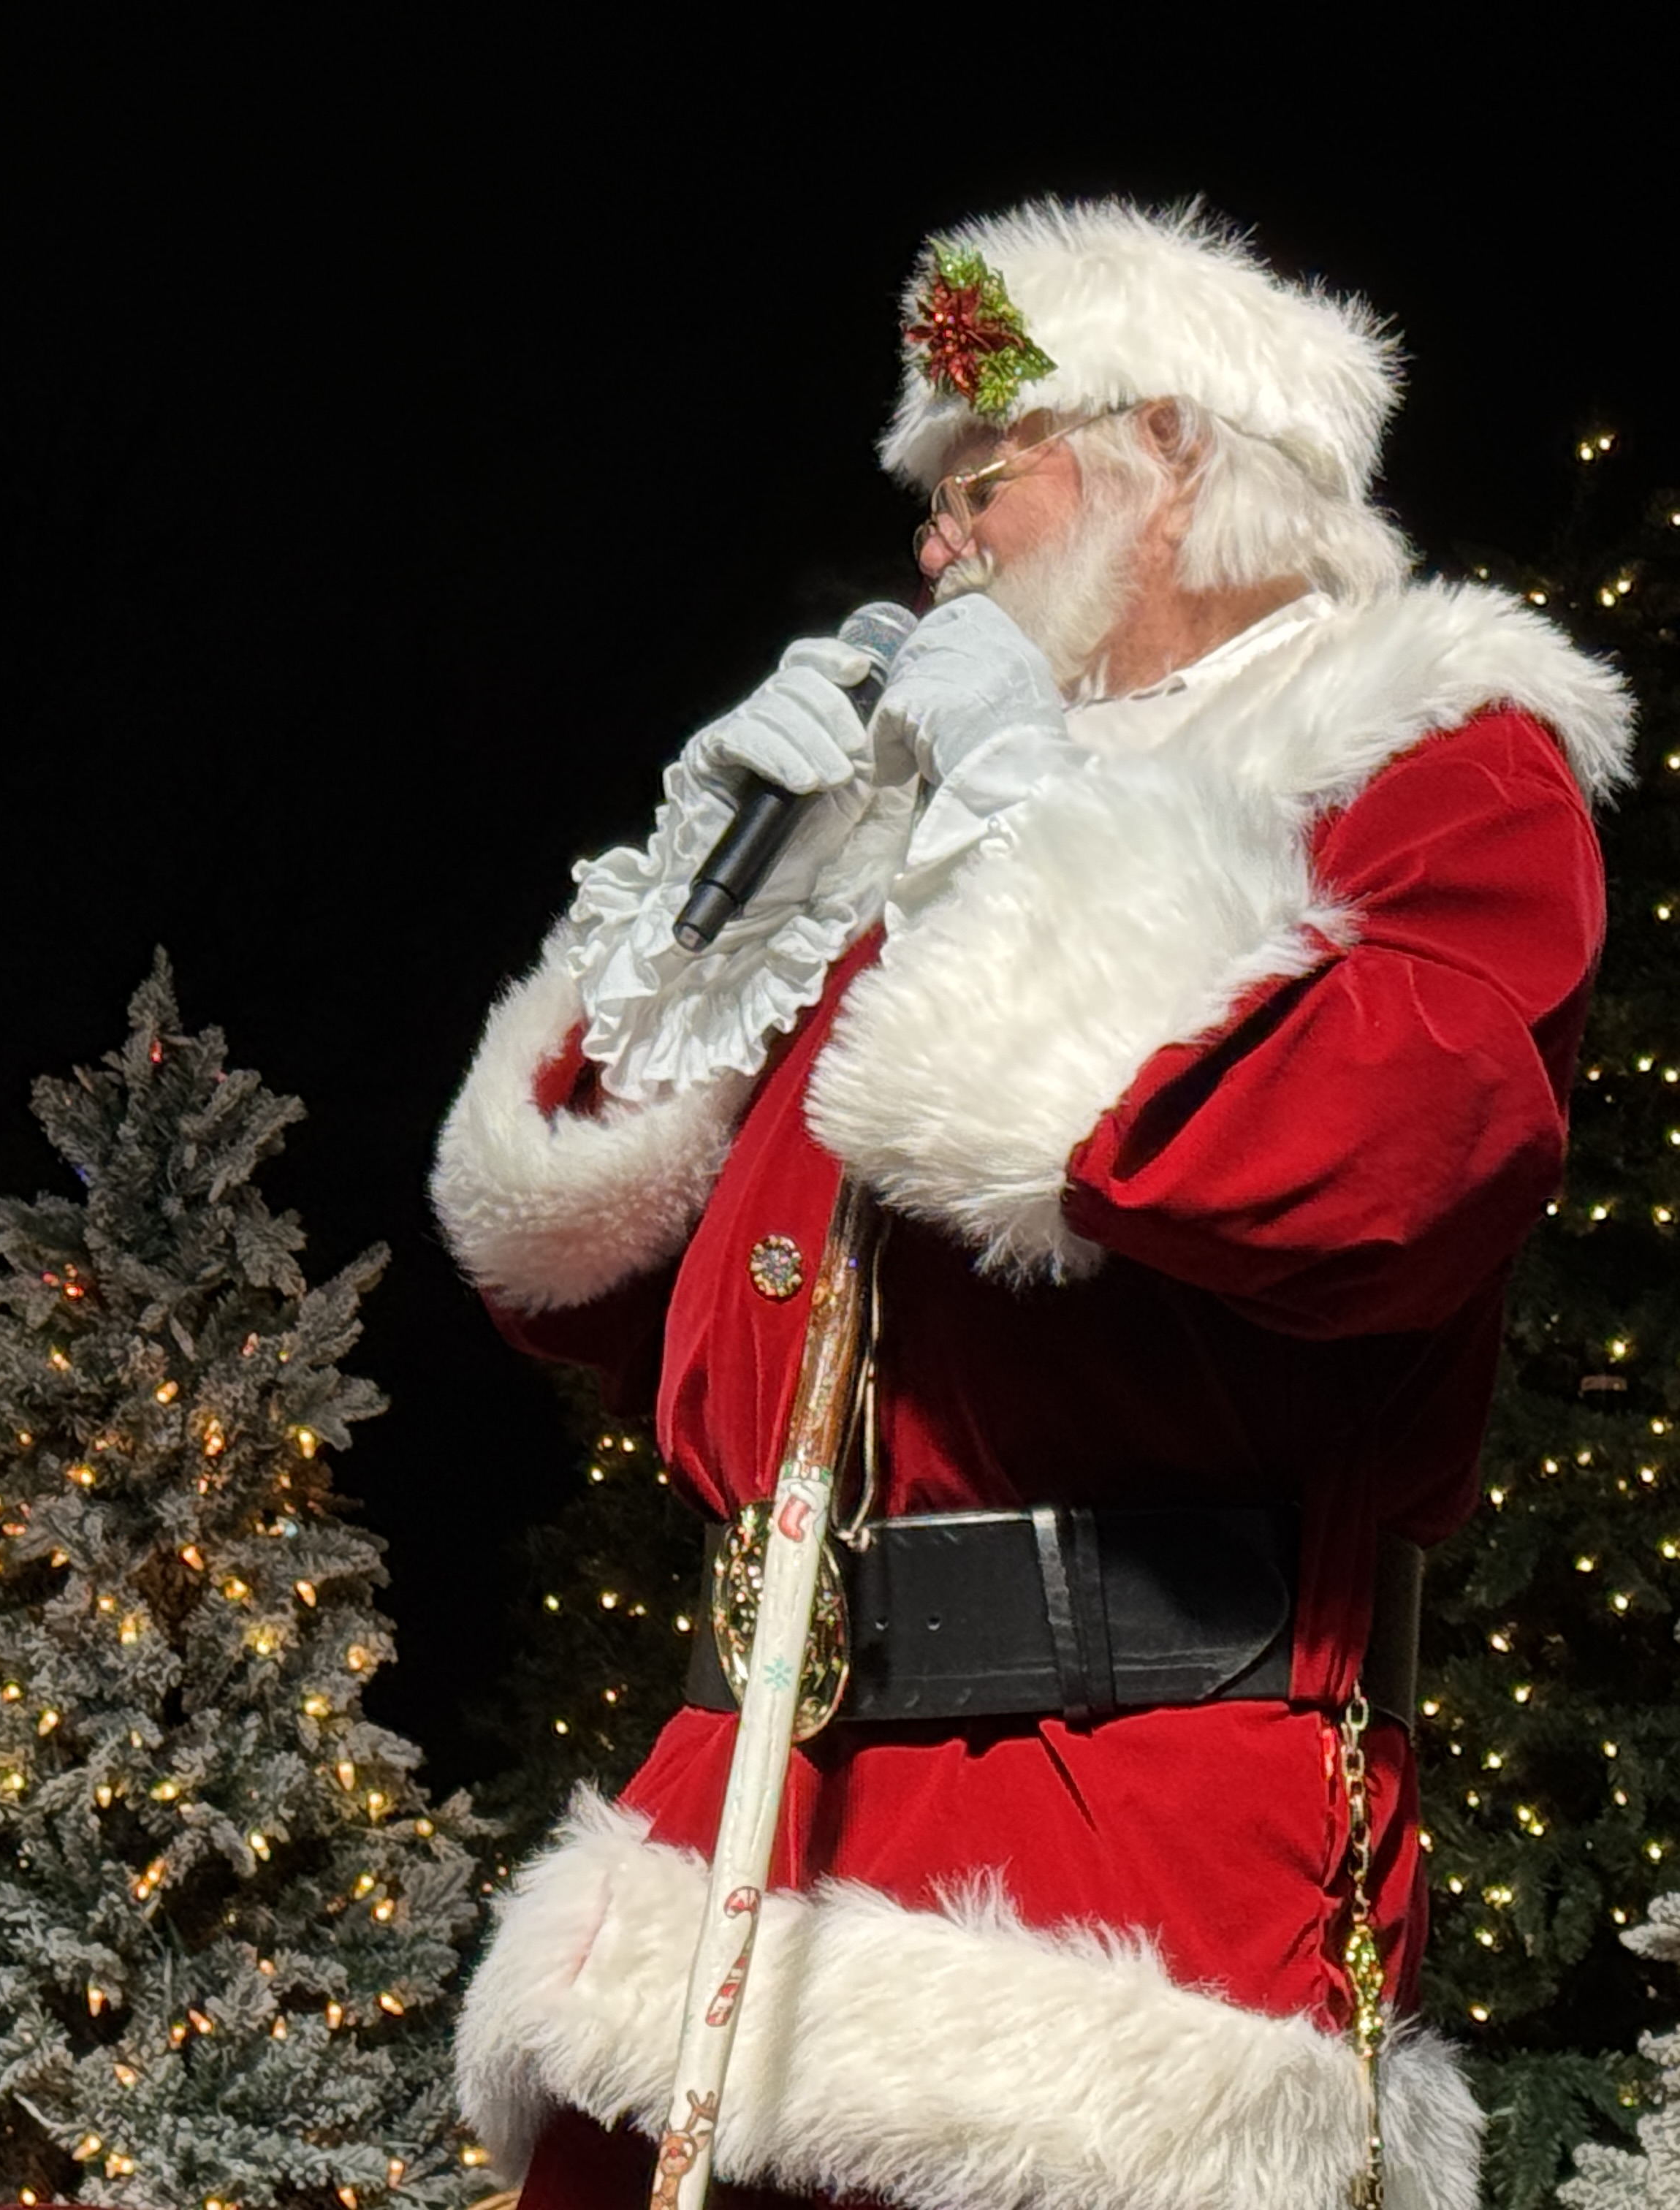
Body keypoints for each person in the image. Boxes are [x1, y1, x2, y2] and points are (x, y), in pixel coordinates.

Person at [432, 199, 1630, 2209]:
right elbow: (606, 1302)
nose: (934, 543)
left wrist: (1037, 828)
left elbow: (1381, 1175)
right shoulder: (936, 821)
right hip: (745, 1817)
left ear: (1177, 462)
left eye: (987, 478)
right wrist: (708, 924)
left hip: (1117, 1857)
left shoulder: (1423, 762)